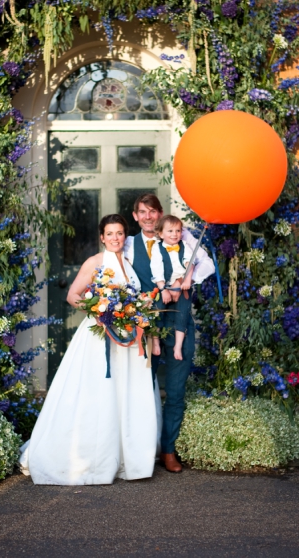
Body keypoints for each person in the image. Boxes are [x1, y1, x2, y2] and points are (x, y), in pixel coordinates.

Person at [19, 214, 157, 484]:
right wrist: (98, 310)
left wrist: (138, 307)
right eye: (110, 233)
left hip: (127, 340)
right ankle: (90, 457)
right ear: (102, 237)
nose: (115, 238)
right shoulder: (95, 262)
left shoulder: (128, 263)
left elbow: (133, 298)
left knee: (123, 392)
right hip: (100, 337)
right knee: (98, 392)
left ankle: (125, 455)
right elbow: (73, 295)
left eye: (119, 233)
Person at [123, 194, 215, 473]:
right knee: (139, 390)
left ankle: (168, 450)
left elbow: (207, 265)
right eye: (143, 212)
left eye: (154, 212)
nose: (149, 216)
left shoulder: (182, 236)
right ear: (136, 216)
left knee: (175, 391)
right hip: (144, 326)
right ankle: (139, 450)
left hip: (179, 326)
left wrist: (185, 281)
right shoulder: (127, 244)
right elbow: (120, 278)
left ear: (160, 214)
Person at [150, 215, 196, 362]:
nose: (175, 234)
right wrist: (163, 289)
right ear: (160, 234)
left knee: (182, 315)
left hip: (182, 287)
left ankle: (178, 345)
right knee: (157, 312)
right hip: (163, 286)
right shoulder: (157, 249)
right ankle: (155, 341)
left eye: (178, 230)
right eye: (170, 231)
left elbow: (190, 263)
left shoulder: (184, 246)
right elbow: (156, 270)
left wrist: (187, 280)